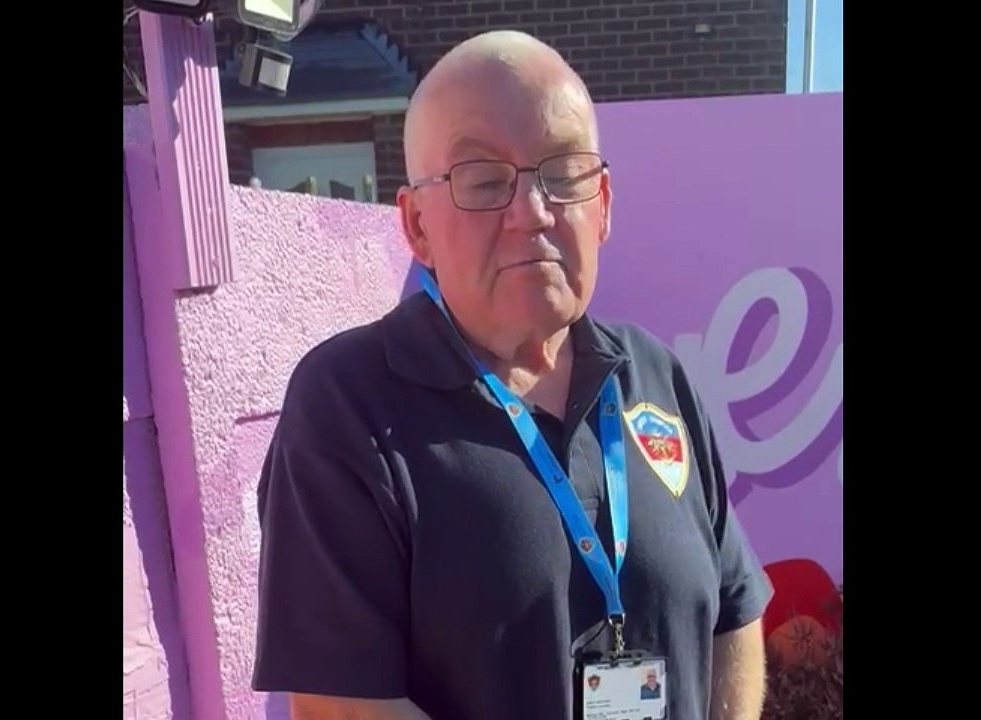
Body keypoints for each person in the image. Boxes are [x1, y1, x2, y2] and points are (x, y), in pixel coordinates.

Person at [250, 29, 772, 720]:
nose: (533, 213)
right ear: (416, 226)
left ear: (605, 204)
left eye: (563, 173)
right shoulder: (348, 405)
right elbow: (343, 708)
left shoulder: (656, 377)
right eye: (484, 181)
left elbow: (734, 610)